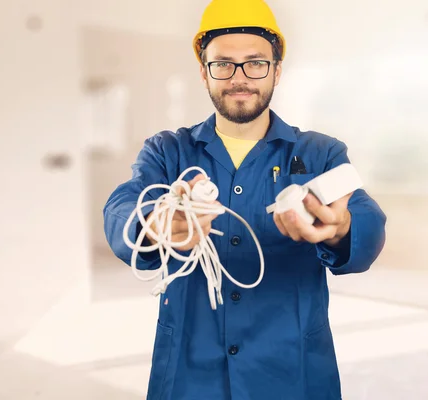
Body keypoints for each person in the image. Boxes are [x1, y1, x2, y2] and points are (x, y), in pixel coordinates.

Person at [102, 0, 387, 399]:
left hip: (292, 372)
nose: (240, 78)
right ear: (204, 72)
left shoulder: (321, 153)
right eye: (223, 64)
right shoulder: (168, 152)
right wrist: (152, 224)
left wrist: (342, 228)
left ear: (276, 70)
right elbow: (120, 209)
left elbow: (367, 220)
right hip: (190, 372)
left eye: (255, 63)